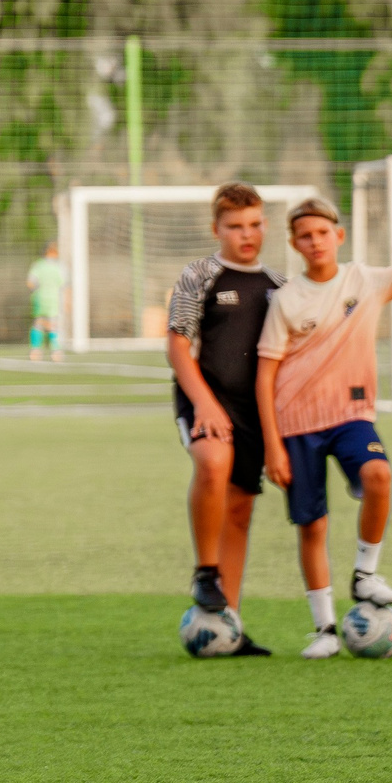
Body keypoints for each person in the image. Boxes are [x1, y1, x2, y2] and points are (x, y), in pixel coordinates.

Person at [256, 178, 392, 659]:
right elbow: (265, 374)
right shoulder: (286, 300)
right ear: (294, 245)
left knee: (379, 474)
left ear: (338, 236)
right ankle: (324, 631)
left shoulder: (366, 280)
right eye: (304, 236)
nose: (314, 241)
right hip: (296, 422)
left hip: (351, 415)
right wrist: (272, 445)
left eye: (322, 232)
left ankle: (365, 575)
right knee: (312, 527)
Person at [168, 184, 281, 649]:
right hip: (204, 400)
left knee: (239, 512)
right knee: (212, 462)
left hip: (254, 413)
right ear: (216, 229)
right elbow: (177, 347)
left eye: (254, 225)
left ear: (264, 226)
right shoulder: (199, 275)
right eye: (235, 227)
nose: (245, 235)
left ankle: (228, 627)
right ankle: (205, 572)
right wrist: (206, 403)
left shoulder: (278, 286)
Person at [26, 241, 68, 362]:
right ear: (54, 252)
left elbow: (30, 283)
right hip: (54, 300)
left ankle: (35, 351)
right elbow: (64, 284)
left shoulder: (38, 265)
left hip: (39, 299)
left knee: (38, 324)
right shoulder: (59, 267)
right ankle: (56, 351)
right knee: (53, 325)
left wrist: (37, 289)